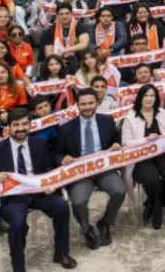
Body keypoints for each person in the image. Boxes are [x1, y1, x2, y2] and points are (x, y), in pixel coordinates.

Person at [0, 108, 77, 272]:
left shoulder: (39, 144)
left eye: (25, 124)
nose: (21, 128)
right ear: (8, 128)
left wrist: (51, 182)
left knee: (62, 207)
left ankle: (61, 252)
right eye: (16, 125)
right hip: (11, 196)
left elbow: (49, 167)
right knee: (18, 223)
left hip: (38, 191)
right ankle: (18, 266)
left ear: (30, 125)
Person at [53, 88, 126, 249]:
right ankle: (87, 230)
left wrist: (116, 144)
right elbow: (56, 153)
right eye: (83, 104)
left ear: (97, 103)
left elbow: (116, 140)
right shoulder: (66, 128)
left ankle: (105, 223)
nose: (87, 107)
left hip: (104, 168)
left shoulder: (107, 120)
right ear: (77, 105)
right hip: (80, 173)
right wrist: (62, 158)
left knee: (120, 191)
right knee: (78, 202)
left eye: (90, 103)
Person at [121, 84, 165, 230]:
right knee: (153, 181)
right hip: (140, 157)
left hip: (161, 153)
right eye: (145, 95)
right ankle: (157, 213)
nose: (149, 99)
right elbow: (125, 142)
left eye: (152, 96)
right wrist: (146, 140)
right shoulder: (130, 117)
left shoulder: (162, 113)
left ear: (156, 98)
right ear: (140, 98)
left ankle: (152, 204)